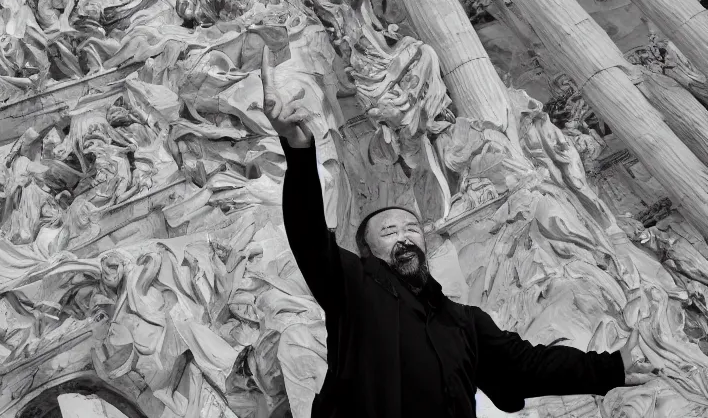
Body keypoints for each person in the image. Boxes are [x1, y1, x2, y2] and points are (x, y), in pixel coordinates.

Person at [260, 47, 656, 418]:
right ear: (366, 250)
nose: (405, 235)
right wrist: (298, 152)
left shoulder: (463, 321)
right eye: (390, 230)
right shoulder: (353, 289)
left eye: (413, 227)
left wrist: (612, 367)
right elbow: (310, 237)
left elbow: (526, 365)